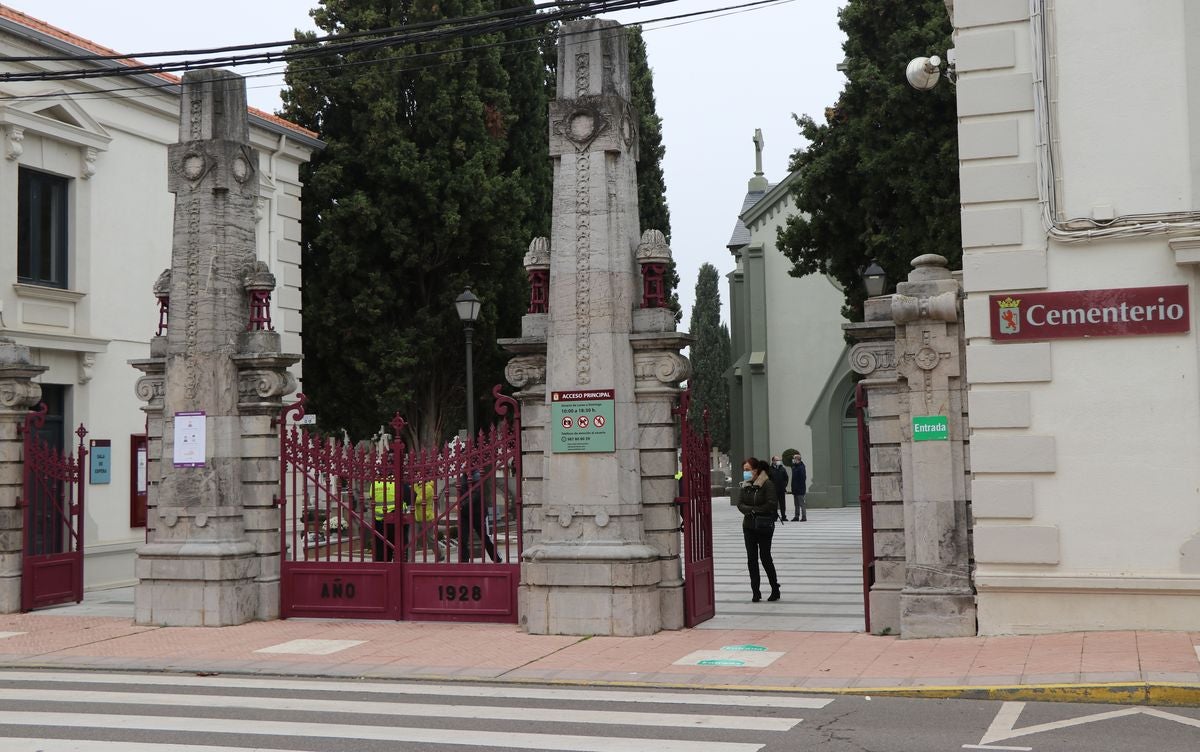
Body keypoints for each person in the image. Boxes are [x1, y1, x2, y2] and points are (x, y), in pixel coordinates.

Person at [737, 457, 781, 602]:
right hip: (749, 526)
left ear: (756, 471)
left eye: (747, 470)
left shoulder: (767, 484)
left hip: (764, 526)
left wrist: (754, 510)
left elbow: (771, 504)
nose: (745, 473)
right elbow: (740, 504)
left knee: (765, 557)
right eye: (744, 470)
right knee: (751, 559)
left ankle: (775, 589)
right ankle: (756, 591)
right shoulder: (745, 485)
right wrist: (751, 511)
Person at [458, 469, 500, 563]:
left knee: (484, 537)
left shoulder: (477, 476)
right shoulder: (462, 479)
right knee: (462, 538)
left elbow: (476, 495)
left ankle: (496, 557)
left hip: (478, 513)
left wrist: (462, 504)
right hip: (465, 514)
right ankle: (463, 561)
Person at [369, 477, 397, 562]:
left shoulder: (374, 483)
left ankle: (380, 566)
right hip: (392, 518)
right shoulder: (394, 482)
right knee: (392, 545)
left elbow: (371, 497)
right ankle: (389, 564)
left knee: (379, 546)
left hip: (378, 519)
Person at [769, 456, 789, 522]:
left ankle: (783, 516)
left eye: (779, 460)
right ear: (773, 461)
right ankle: (774, 517)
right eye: (777, 460)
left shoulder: (782, 468)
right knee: (774, 504)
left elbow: (786, 478)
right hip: (773, 490)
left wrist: (784, 485)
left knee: (782, 504)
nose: (778, 461)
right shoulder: (770, 469)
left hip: (781, 489)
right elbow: (768, 479)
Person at [791, 453, 808, 522]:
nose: (793, 460)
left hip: (800, 489)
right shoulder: (795, 466)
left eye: (794, 458)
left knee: (801, 503)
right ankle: (796, 516)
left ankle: (804, 517)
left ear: (797, 459)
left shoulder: (801, 467)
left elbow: (803, 478)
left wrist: (799, 487)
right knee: (796, 504)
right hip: (795, 489)